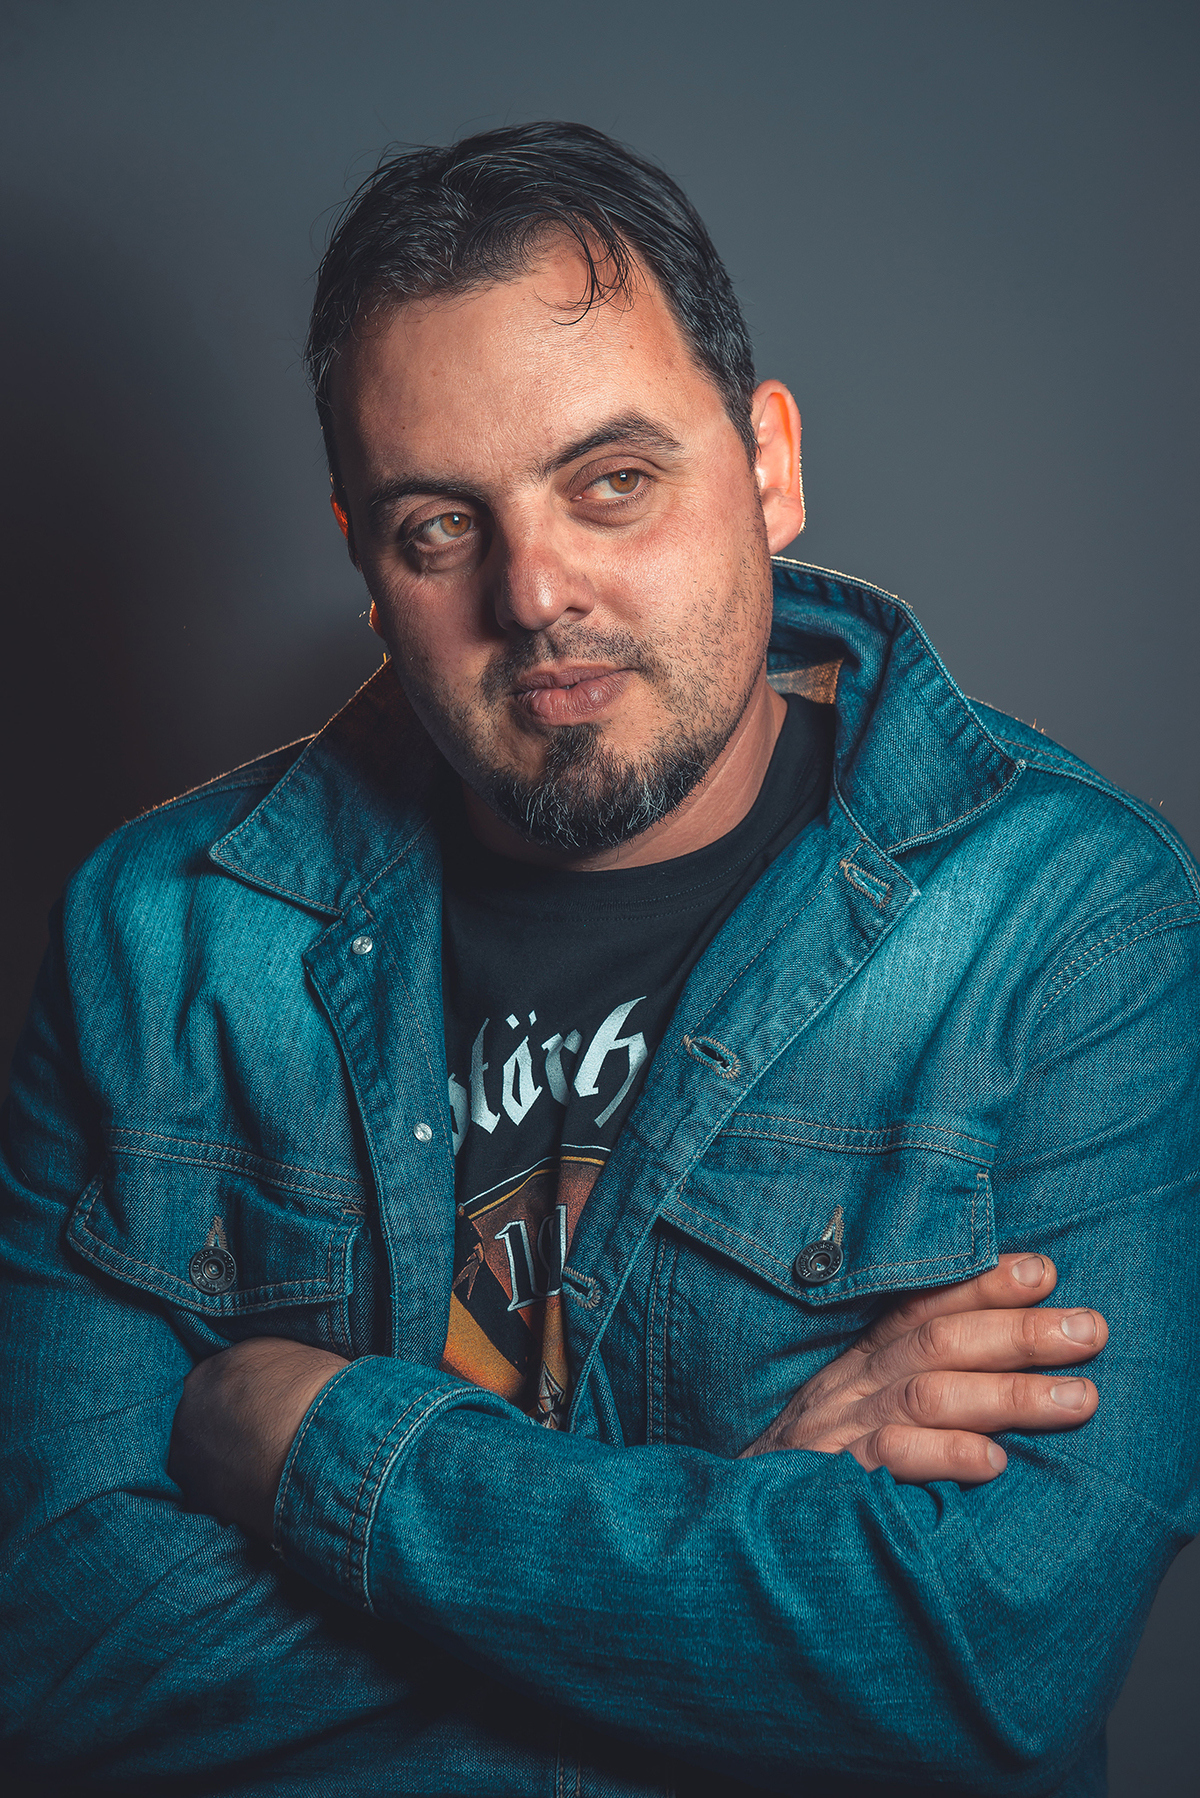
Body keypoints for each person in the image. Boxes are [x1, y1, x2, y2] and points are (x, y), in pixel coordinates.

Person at [2, 122, 1197, 1798]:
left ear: (767, 463)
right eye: (439, 528)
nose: (539, 586)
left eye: (612, 481)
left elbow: (985, 1662)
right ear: (364, 561)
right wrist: (726, 1565)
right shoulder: (159, 937)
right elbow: (56, 1650)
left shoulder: (1067, 924)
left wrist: (304, 1444)